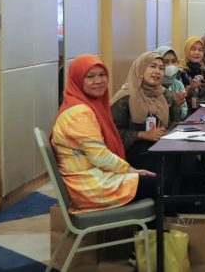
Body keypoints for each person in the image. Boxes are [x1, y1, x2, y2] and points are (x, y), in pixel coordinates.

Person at [51, 54, 155, 213]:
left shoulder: (83, 104)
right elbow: (100, 157)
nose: (99, 81)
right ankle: (156, 229)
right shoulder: (79, 113)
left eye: (102, 75)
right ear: (77, 80)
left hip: (94, 177)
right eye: (90, 77)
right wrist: (131, 170)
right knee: (157, 183)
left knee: (154, 173)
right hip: (91, 187)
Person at [110, 52, 183, 171]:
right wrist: (143, 135)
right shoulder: (124, 98)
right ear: (140, 69)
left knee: (190, 163)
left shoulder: (167, 95)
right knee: (168, 167)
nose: (157, 71)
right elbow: (113, 133)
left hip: (164, 147)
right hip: (134, 155)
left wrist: (167, 132)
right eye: (152, 66)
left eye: (161, 68)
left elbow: (176, 122)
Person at [155, 45, 188, 121]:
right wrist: (172, 104)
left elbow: (183, 114)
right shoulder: (153, 84)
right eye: (166, 62)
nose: (171, 65)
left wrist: (177, 106)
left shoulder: (178, 84)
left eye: (174, 61)